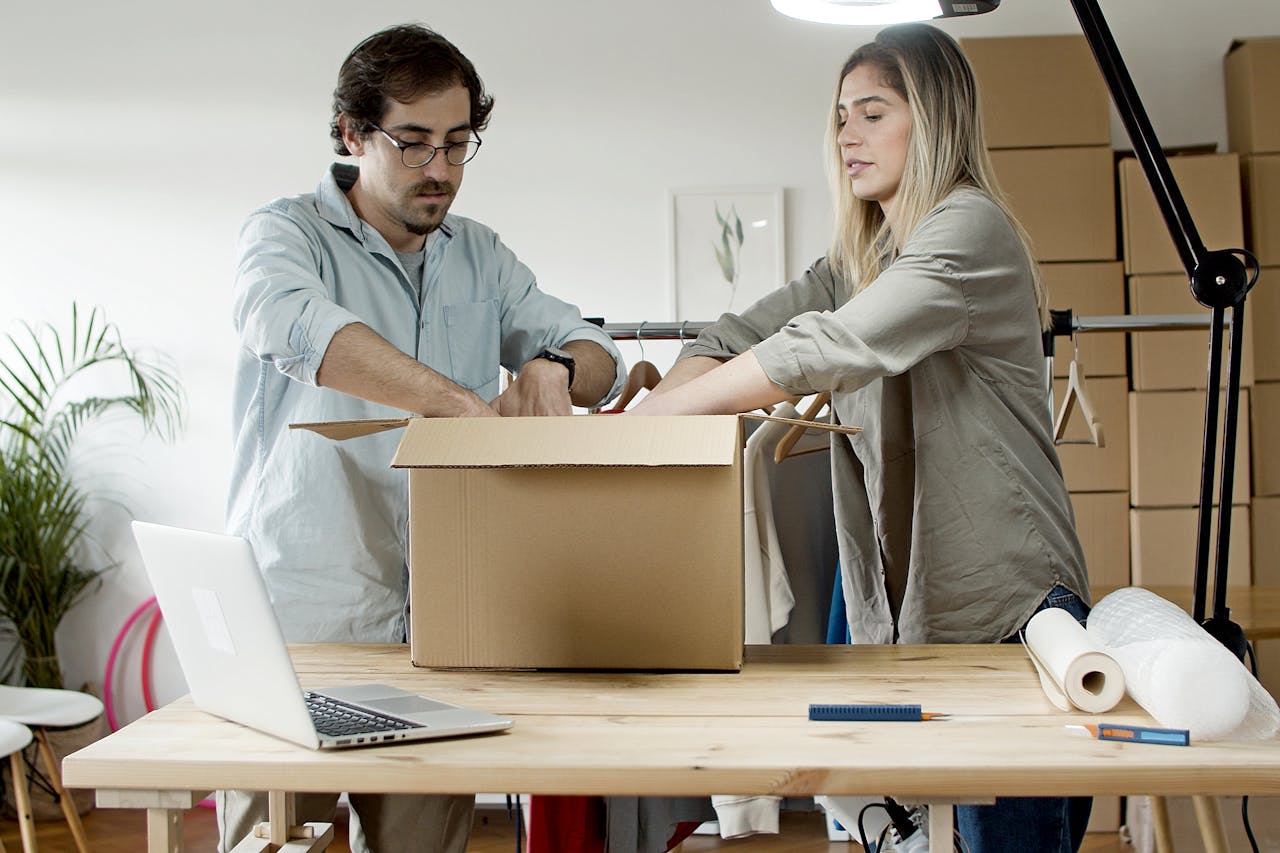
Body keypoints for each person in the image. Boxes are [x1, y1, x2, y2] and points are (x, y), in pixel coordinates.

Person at [628, 23, 1093, 853]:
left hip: (1012, 612)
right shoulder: (864, 255)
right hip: (921, 615)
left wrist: (669, 416)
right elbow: (737, 332)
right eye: (840, 115)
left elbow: (829, 347)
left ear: (936, 119)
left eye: (872, 113)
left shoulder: (970, 231)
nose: (846, 134)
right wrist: (670, 389)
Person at [225, 23, 624, 853]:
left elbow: (598, 353)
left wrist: (553, 366)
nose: (440, 170)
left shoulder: (481, 255)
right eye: (412, 144)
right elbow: (292, 324)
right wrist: (461, 408)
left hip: (440, 625)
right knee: (267, 843)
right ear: (351, 133)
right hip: (299, 620)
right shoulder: (285, 235)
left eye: (456, 143)